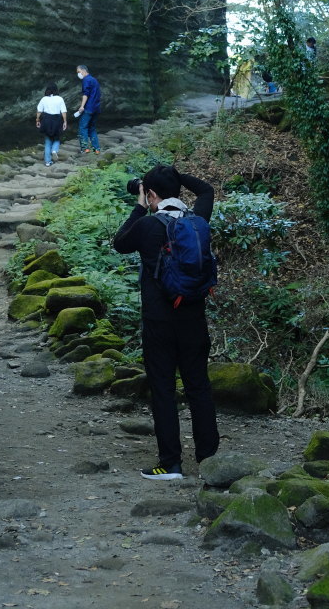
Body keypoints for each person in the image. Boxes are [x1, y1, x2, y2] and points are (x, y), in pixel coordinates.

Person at [113, 164, 219, 480]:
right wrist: (175, 176)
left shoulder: (148, 226)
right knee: (199, 387)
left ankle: (170, 463)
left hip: (159, 322)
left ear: (152, 194)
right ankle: (209, 461)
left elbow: (119, 243)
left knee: (163, 389)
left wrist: (139, 204)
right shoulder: (197, 221)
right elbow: (207, 190)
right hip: (194, 320)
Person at [36, 82, 68, 167]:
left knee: (47, 141)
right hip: (56, 119)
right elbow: (63, 111)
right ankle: (54, 150)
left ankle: (47, 162)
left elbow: (39, 111)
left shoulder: (44, 99)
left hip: (46, 119)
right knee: (57, 138)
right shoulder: (60, 99)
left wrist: (37, 120)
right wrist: (65, 121)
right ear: (56, 90)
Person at [73, 64, 101, 154]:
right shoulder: (94, 80)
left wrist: (82, 106)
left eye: (78, 72)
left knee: (82, 127)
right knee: (92, 128)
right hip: (96, 108)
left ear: (84, 70)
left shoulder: (86, 80)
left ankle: (85, 148)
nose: (78, 74)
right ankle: (97, 149)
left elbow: (86, 94)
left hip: (89, 108)